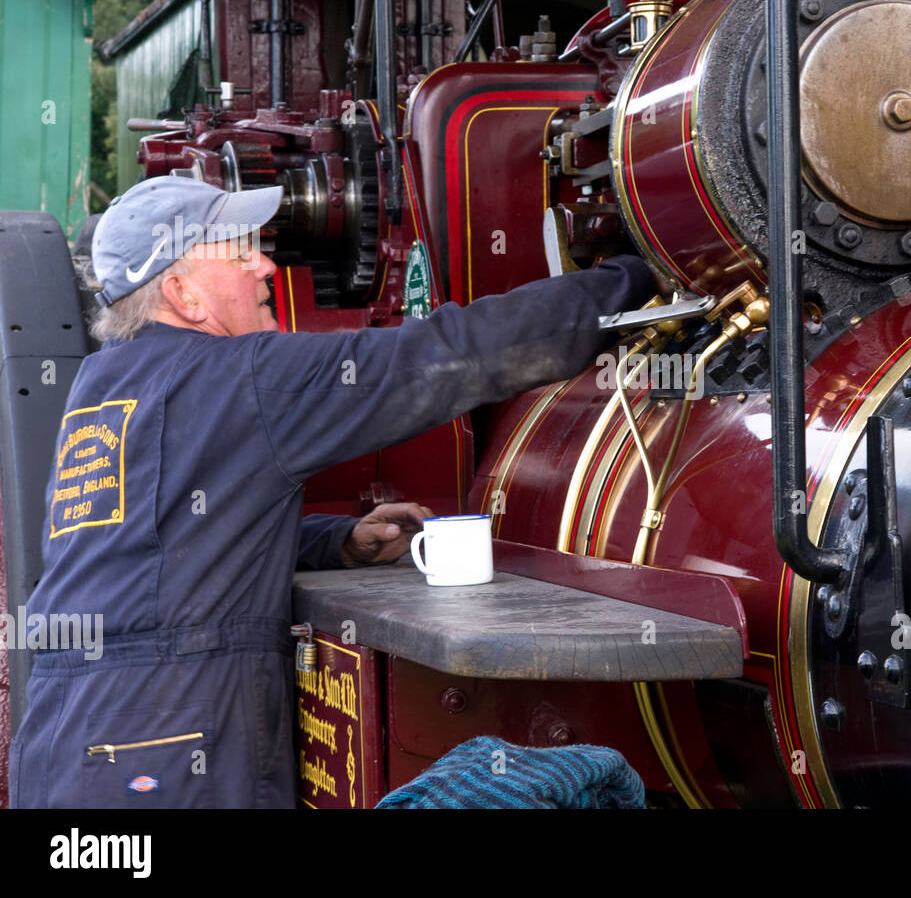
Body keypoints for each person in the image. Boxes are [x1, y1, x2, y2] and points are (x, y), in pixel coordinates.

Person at [9, 175, 659, 808]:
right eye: (238, 252)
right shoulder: (244, 377)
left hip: (64, 740)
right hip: (168, 746)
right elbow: (447, 356)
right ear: (183, 293)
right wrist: (632, 277)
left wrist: (335, 543)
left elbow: (153, 536)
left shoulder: (101, 387)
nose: (265, 265)